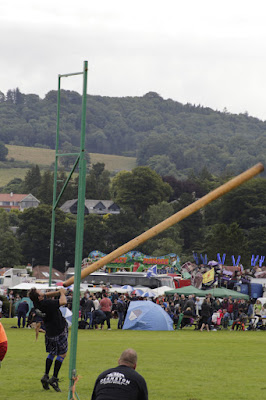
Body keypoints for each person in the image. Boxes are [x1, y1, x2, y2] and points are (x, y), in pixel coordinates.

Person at [28, 287, 68, 392]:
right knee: (62, 354)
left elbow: (46, 295)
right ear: (39, 296)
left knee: (52, 353)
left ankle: (46, 376)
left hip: (49, 332)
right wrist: (62, 293)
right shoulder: (47, 304)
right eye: (40, 292)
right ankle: (54, 378)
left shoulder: (36, 303)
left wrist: (58, 291)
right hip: (59, 330)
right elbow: (63, 301)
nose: (42, 292)